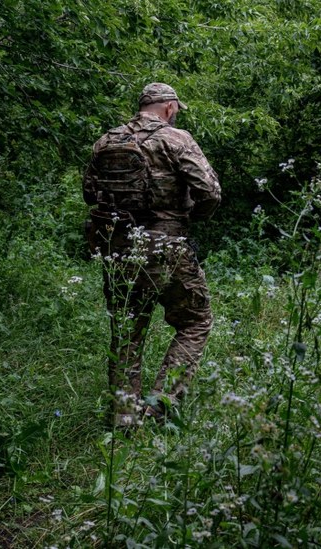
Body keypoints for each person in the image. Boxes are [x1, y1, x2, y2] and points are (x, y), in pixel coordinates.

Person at [83, 82, 221, 426]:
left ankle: (124, 416)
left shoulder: (106, 141)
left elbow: (89, 193)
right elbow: (210, 192)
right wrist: (187, 219)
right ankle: (160, 406)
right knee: (195, 321)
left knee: (127, 329)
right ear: (170, 107)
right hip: (166, 247)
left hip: (118, 248)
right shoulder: (176, 139)